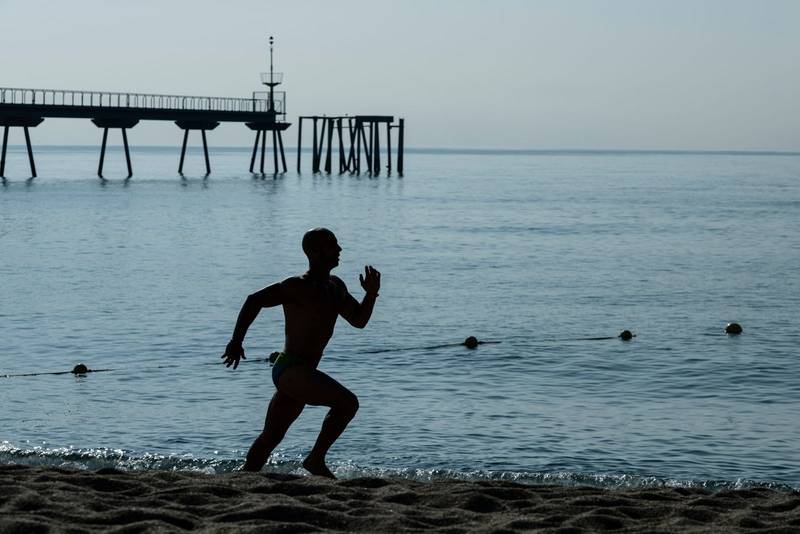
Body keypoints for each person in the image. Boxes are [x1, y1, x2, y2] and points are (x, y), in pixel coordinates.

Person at [221, 228, 380, 478]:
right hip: (292, 368)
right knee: (347, 403)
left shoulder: (336, 286)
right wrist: (236, 341)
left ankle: (244, 478)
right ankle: (315, 460)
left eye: (337, 244)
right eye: (332, 245)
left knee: (271, 437)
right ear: (314, 252)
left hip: (302, 372)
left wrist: (370, 294)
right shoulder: (297, 285)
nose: (339, 250)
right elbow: (254, 300)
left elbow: (358, 320)